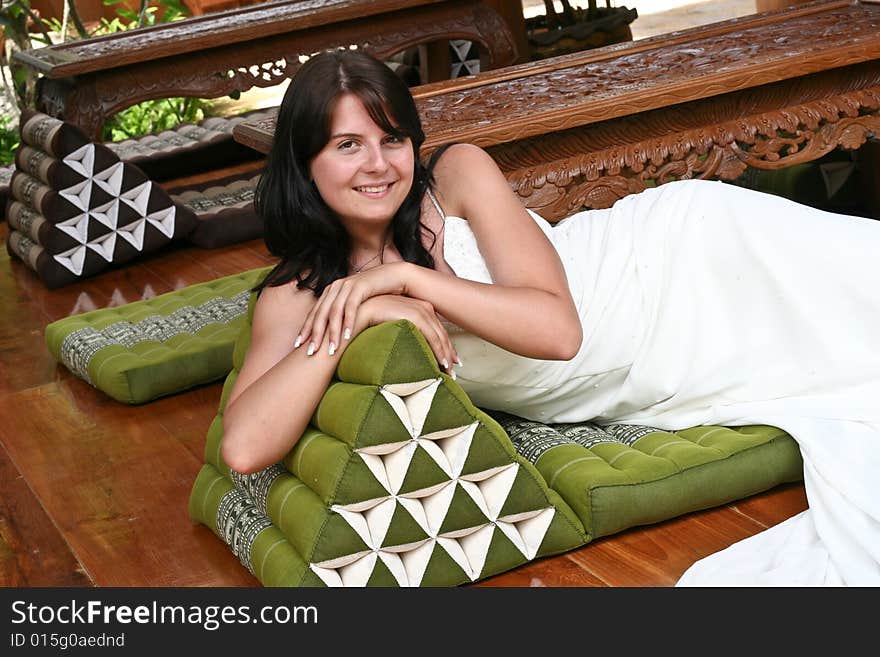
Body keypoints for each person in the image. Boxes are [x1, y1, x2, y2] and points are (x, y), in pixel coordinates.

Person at [221, 48, 880, 586]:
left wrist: (403, 276)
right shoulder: (303, 295)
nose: (378, 164)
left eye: (392, 139)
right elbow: (245, 445)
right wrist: (360, 309)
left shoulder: (455, 174)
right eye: (347, 145)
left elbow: (557, 330)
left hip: (676, 261)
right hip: (650, 367)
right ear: (306, 165)